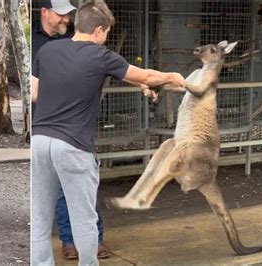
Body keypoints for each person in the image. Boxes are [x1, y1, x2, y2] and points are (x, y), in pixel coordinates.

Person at [31, 1, 185, 265]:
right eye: (107, 34)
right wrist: (172, 77)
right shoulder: (100, 55)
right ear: (99, 31)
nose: (106, 39)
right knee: (84, 219)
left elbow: (34, 92)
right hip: (74, 145)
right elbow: (145, 75)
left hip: (39, 141)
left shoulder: (48, 51)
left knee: (39, 218)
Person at [32, 0, 109, 260]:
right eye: (62, 15)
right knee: (65, 197)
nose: (66, 19)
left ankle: (90, 240)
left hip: (62, 131)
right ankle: (70, 240)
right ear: (45, 13)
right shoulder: (37, 46)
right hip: (56, 130)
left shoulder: (68, 45)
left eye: (69, 16)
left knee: (78, 195)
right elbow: (32, 90)